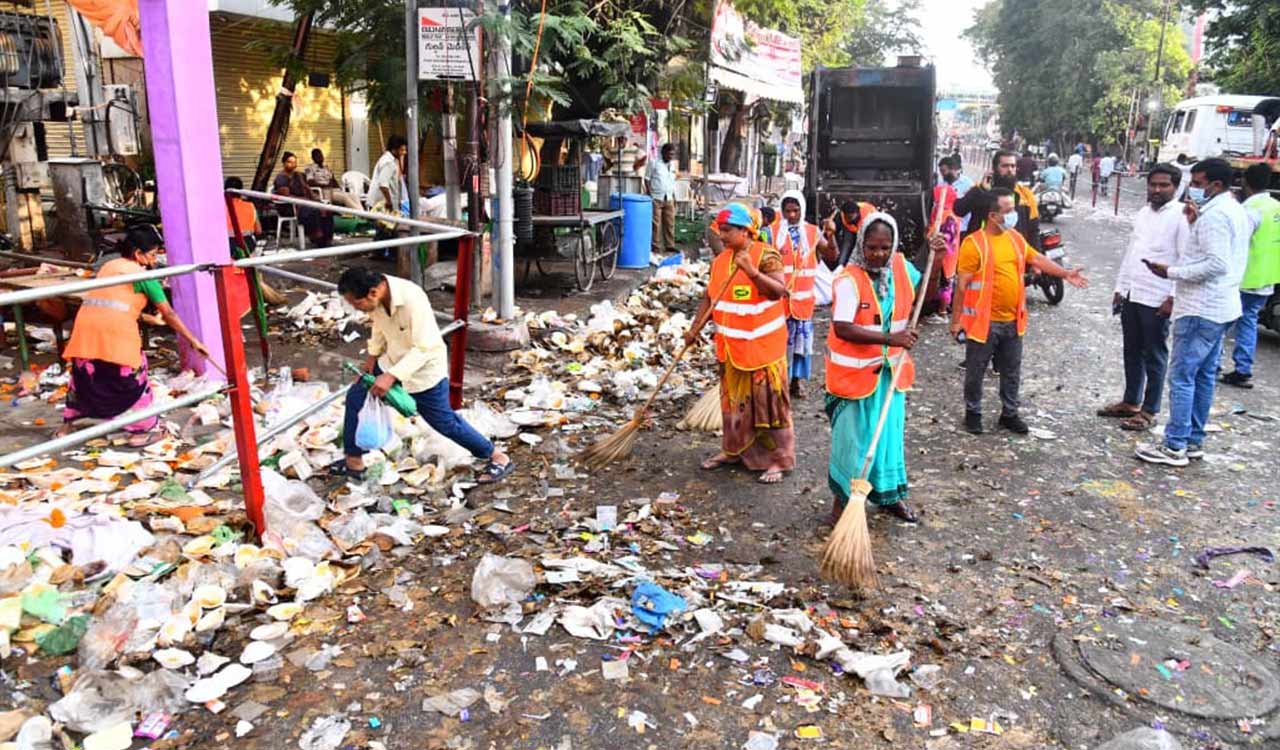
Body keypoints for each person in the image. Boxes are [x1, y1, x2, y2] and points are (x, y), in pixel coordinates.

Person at [334, 267, 514, 483]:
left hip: (424, 368)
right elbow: (379, 327)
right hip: (392, 359)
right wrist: (372, 358)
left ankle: (497, 456)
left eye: (357, 304)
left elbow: (425, 348)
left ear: (373, 292)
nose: (359, 309)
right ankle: (354, 462)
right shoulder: (377, 298)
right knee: (357, 396)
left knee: (444, 422)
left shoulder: (412, 298)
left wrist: (390, 376)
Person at [1136, 158, 1251, 466]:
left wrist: (1171, 272)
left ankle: (1175, 445)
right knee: (1202, 377)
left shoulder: (1216, 216)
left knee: (1183, 376)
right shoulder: (1233, 210)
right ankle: (1193, 440)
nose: (1193, 190)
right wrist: (1193, 223)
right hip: (1221, 306)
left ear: (1215, 185)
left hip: (1202, 308)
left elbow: (1216, 264)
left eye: (1198, 184)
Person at [826, 213, 940, 523]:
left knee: (888, 438)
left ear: (893, 246)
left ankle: (890, 496)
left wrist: (938, 257)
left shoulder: (901, 268)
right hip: (854, 379)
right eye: (872, 247)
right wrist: (893, 338)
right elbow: (843, 328)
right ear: (862, 244)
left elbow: (927, 297)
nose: (878, 254)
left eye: (885, 248)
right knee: (853, 443)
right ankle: (843, 503)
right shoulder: (849, 280)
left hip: (891, 374)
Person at [950, 188, 1089, 434]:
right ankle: (973, 413)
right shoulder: (974, 244)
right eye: (1009, 210)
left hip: (1014, 320)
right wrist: (956, 321)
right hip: (984, 323)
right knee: (975, 371)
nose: (1015, 214)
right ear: (993, 216)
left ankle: (1009, 413)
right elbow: (961, 286)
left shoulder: (1014, 238)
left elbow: (1037, 260)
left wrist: (1065, 273)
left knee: (1012, 371)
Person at [59, 228, 210, 447]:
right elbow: (169, 313)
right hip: (116, 336)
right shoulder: (143, 276)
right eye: (152, 254)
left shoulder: (108, 267)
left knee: (85, 376)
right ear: (138, 253)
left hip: (85, 332)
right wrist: (193, 341)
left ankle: (66, 427)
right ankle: (142, 430)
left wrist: (147, 319)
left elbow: (113, 302)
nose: (154, 259)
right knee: (135, 380)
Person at [688, 204, 794, 484]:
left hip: (763, 350)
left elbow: (779, 291)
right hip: (731, 349)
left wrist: (753, 273)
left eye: (727, 230)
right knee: (734, 406)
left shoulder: (766, 256)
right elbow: (708, 297)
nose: (721, 236)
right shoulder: (721, 261)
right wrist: (695, 327)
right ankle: (733, 451)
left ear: (747, 231)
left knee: (769, 408)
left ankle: (778, 460)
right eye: (720, 230)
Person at [1098, 164, 1188, 430]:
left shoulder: (1182, 217)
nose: (1157, 190)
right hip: (1134, 293)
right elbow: (1131, 253)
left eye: (1164, 185)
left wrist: (1172, 297)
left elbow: (1184, 260)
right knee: (1131, 351)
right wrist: (1120, 288)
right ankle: (1131, 401)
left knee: (1155, 354)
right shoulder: (1142, 213)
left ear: (1176, 187)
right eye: (1153, 185)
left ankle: (1149, 410)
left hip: (1158, 298)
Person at [1221, 163, 1280, 388]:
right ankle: (1243, 368)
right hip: (1268, 277)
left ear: (1245, 181)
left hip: (1246, 276)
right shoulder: (1275, 206)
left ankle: (1214, 365)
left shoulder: (1249, 211)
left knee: (1224, 323)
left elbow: (1236, 242)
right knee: (1249, 322)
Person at [773, 189, 830, 399]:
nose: (791, 216)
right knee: (779, 347)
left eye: (795, 211)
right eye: (787, 211)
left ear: (802, 210)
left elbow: (831, 254)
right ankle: (779, 383)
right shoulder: (772, 233)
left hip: (804, 304)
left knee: (800, 347)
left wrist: (830, 234)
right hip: (779, 304)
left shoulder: (813, 233)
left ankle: (796, 383)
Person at [274, 151, 333, 246]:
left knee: (326, 208)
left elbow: (307, 189)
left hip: (304, 202)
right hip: (289, 206)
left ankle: (327, 238)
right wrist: (304, 200)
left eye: (294, 162)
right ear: (284, 163)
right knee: (313, 210)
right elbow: (285, 196)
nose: (293, 165)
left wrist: (317, 200)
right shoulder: (281, 177)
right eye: (290, 162)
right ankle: (317, 237)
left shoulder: (299, 175)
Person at [647, 143, 678, 256]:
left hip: (668, 197)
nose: (671, 156)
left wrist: (674, 198)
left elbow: (672, 182)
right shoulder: (654, 163)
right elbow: (647, 180)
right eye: (669, 154)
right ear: (663, 153)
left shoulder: (672, 165)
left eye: (673, 154)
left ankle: (670, 245)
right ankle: (656, 245)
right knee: (656, 223)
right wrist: (649, 194)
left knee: (670, 222)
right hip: (656, 197)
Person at [368, 135, 408, 216]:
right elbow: (383, 185)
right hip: (382, 205)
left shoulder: (391, 160)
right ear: (394, 149)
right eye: (402, 150)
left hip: (383, 204)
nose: (404, 152)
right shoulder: (388, 162)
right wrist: (389, 202)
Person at [225, 176, 261, 254]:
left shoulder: (219, 207)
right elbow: (258, 230)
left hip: (227, 245)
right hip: (247, 245)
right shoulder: (250, 206)